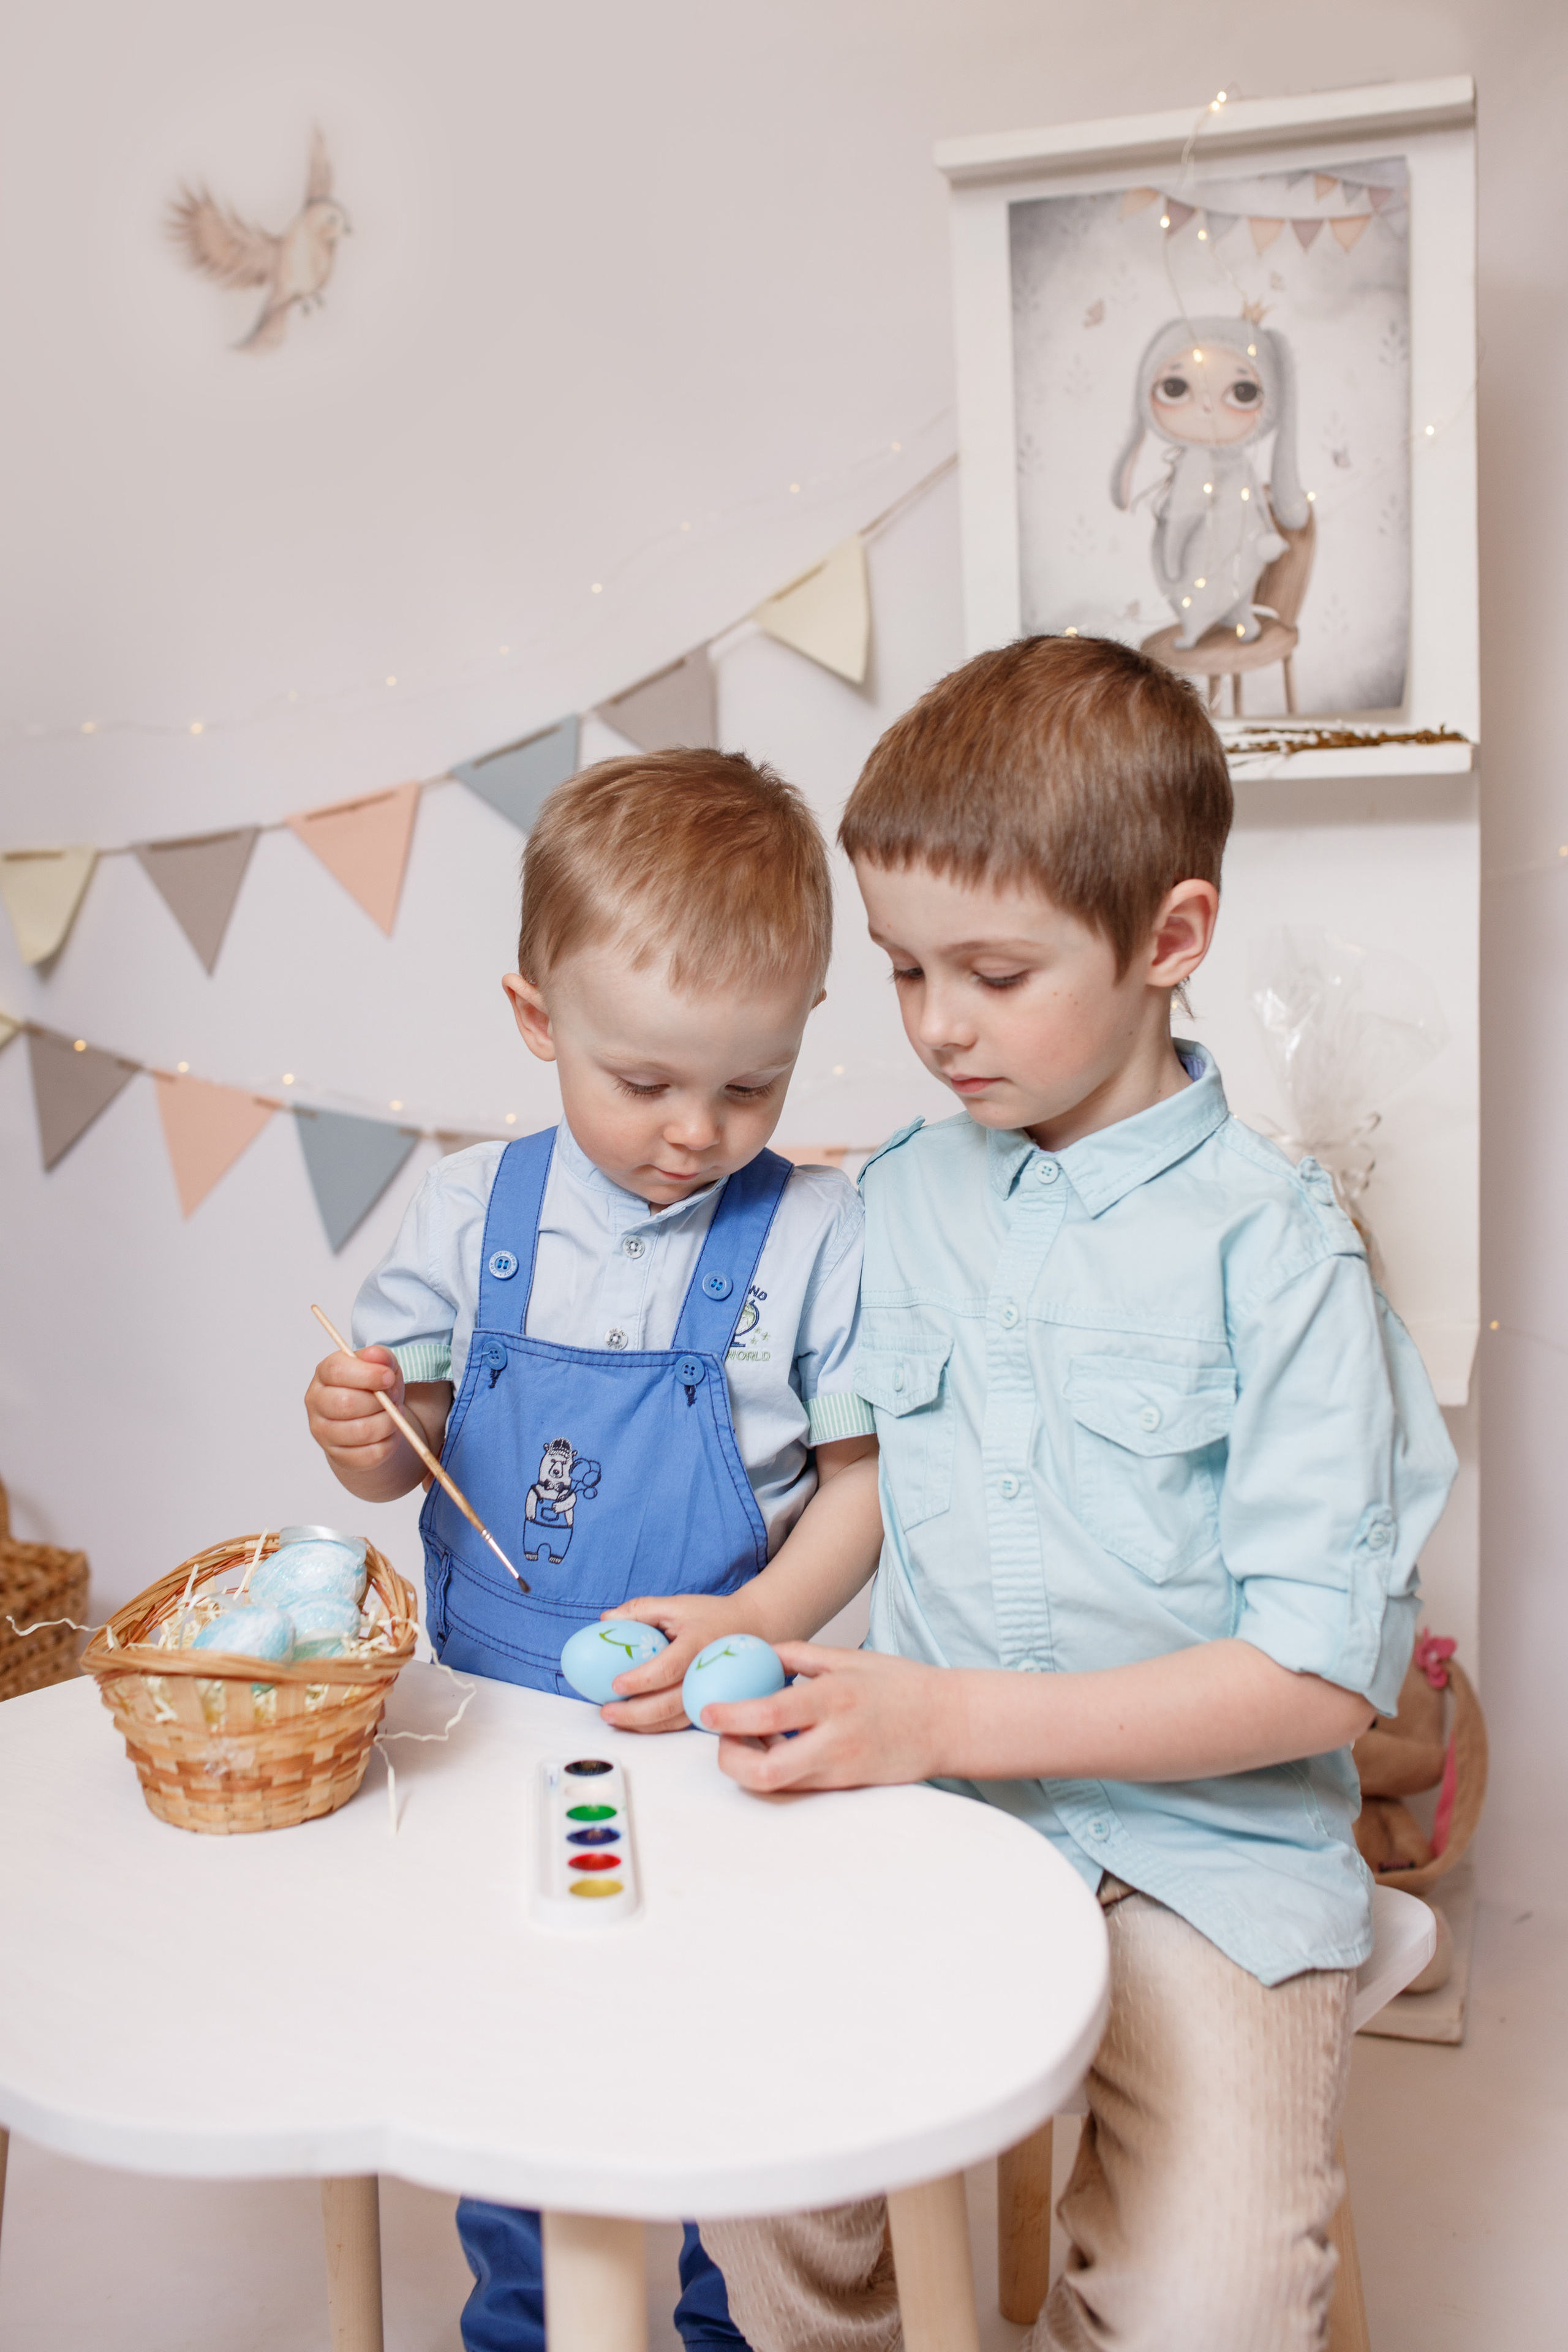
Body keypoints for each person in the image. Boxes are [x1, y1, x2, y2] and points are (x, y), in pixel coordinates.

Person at [611, 637, 1457, 2352]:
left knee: (1211, 2301)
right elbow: (875, 1483)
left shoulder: (1281, 1257)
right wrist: (764, 1614)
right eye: (908, 971)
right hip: (926, 1817)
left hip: (1206, 1854)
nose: (936, 1027)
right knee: (764, 2145)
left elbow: (1315, 1678)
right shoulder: (906, 1198)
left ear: (1170, 941)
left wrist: (946, 1720)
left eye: (993, 972)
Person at [303, 747, 878, 2352]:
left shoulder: (821, 1238)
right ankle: (530, 2324)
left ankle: (709, 2326)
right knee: (520, 2074)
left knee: (708, 2078)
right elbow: (388, 1433)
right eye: (648, 1083)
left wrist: (756, 1613)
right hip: (487, 1732)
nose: (699, 1133)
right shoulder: (467, 1211)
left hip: (709, 1738)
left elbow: (866, 1481)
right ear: (536, 1017)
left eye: (753, 1086)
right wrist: (354, 1431)